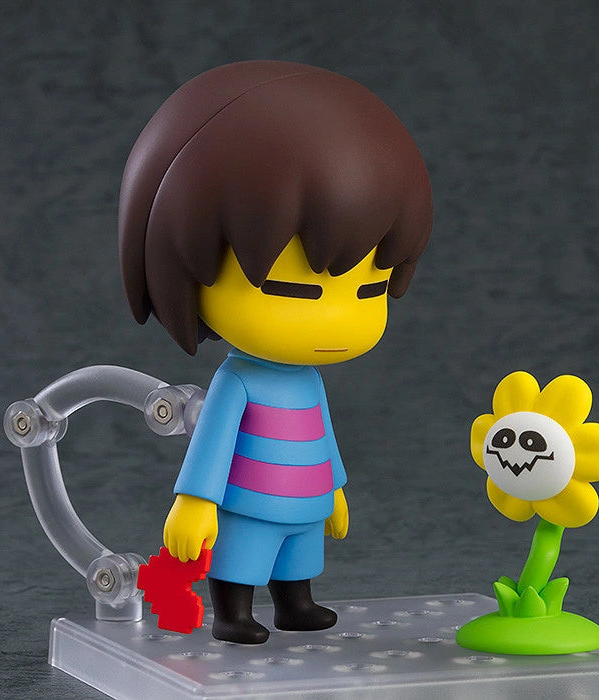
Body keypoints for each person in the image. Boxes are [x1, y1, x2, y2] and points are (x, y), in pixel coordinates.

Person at [118, 60, 433, 643]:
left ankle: (296, 605)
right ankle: (234, 613)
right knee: (244, 555)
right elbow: (212, 447)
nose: (337, 318)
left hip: (306, 501)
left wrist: (334, 488)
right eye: (293, 290)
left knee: (298, 558)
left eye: (369, 289)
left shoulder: (308, 380)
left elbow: (323, 435)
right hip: (248, 503)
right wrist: (195, 503)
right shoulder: (237, 383)